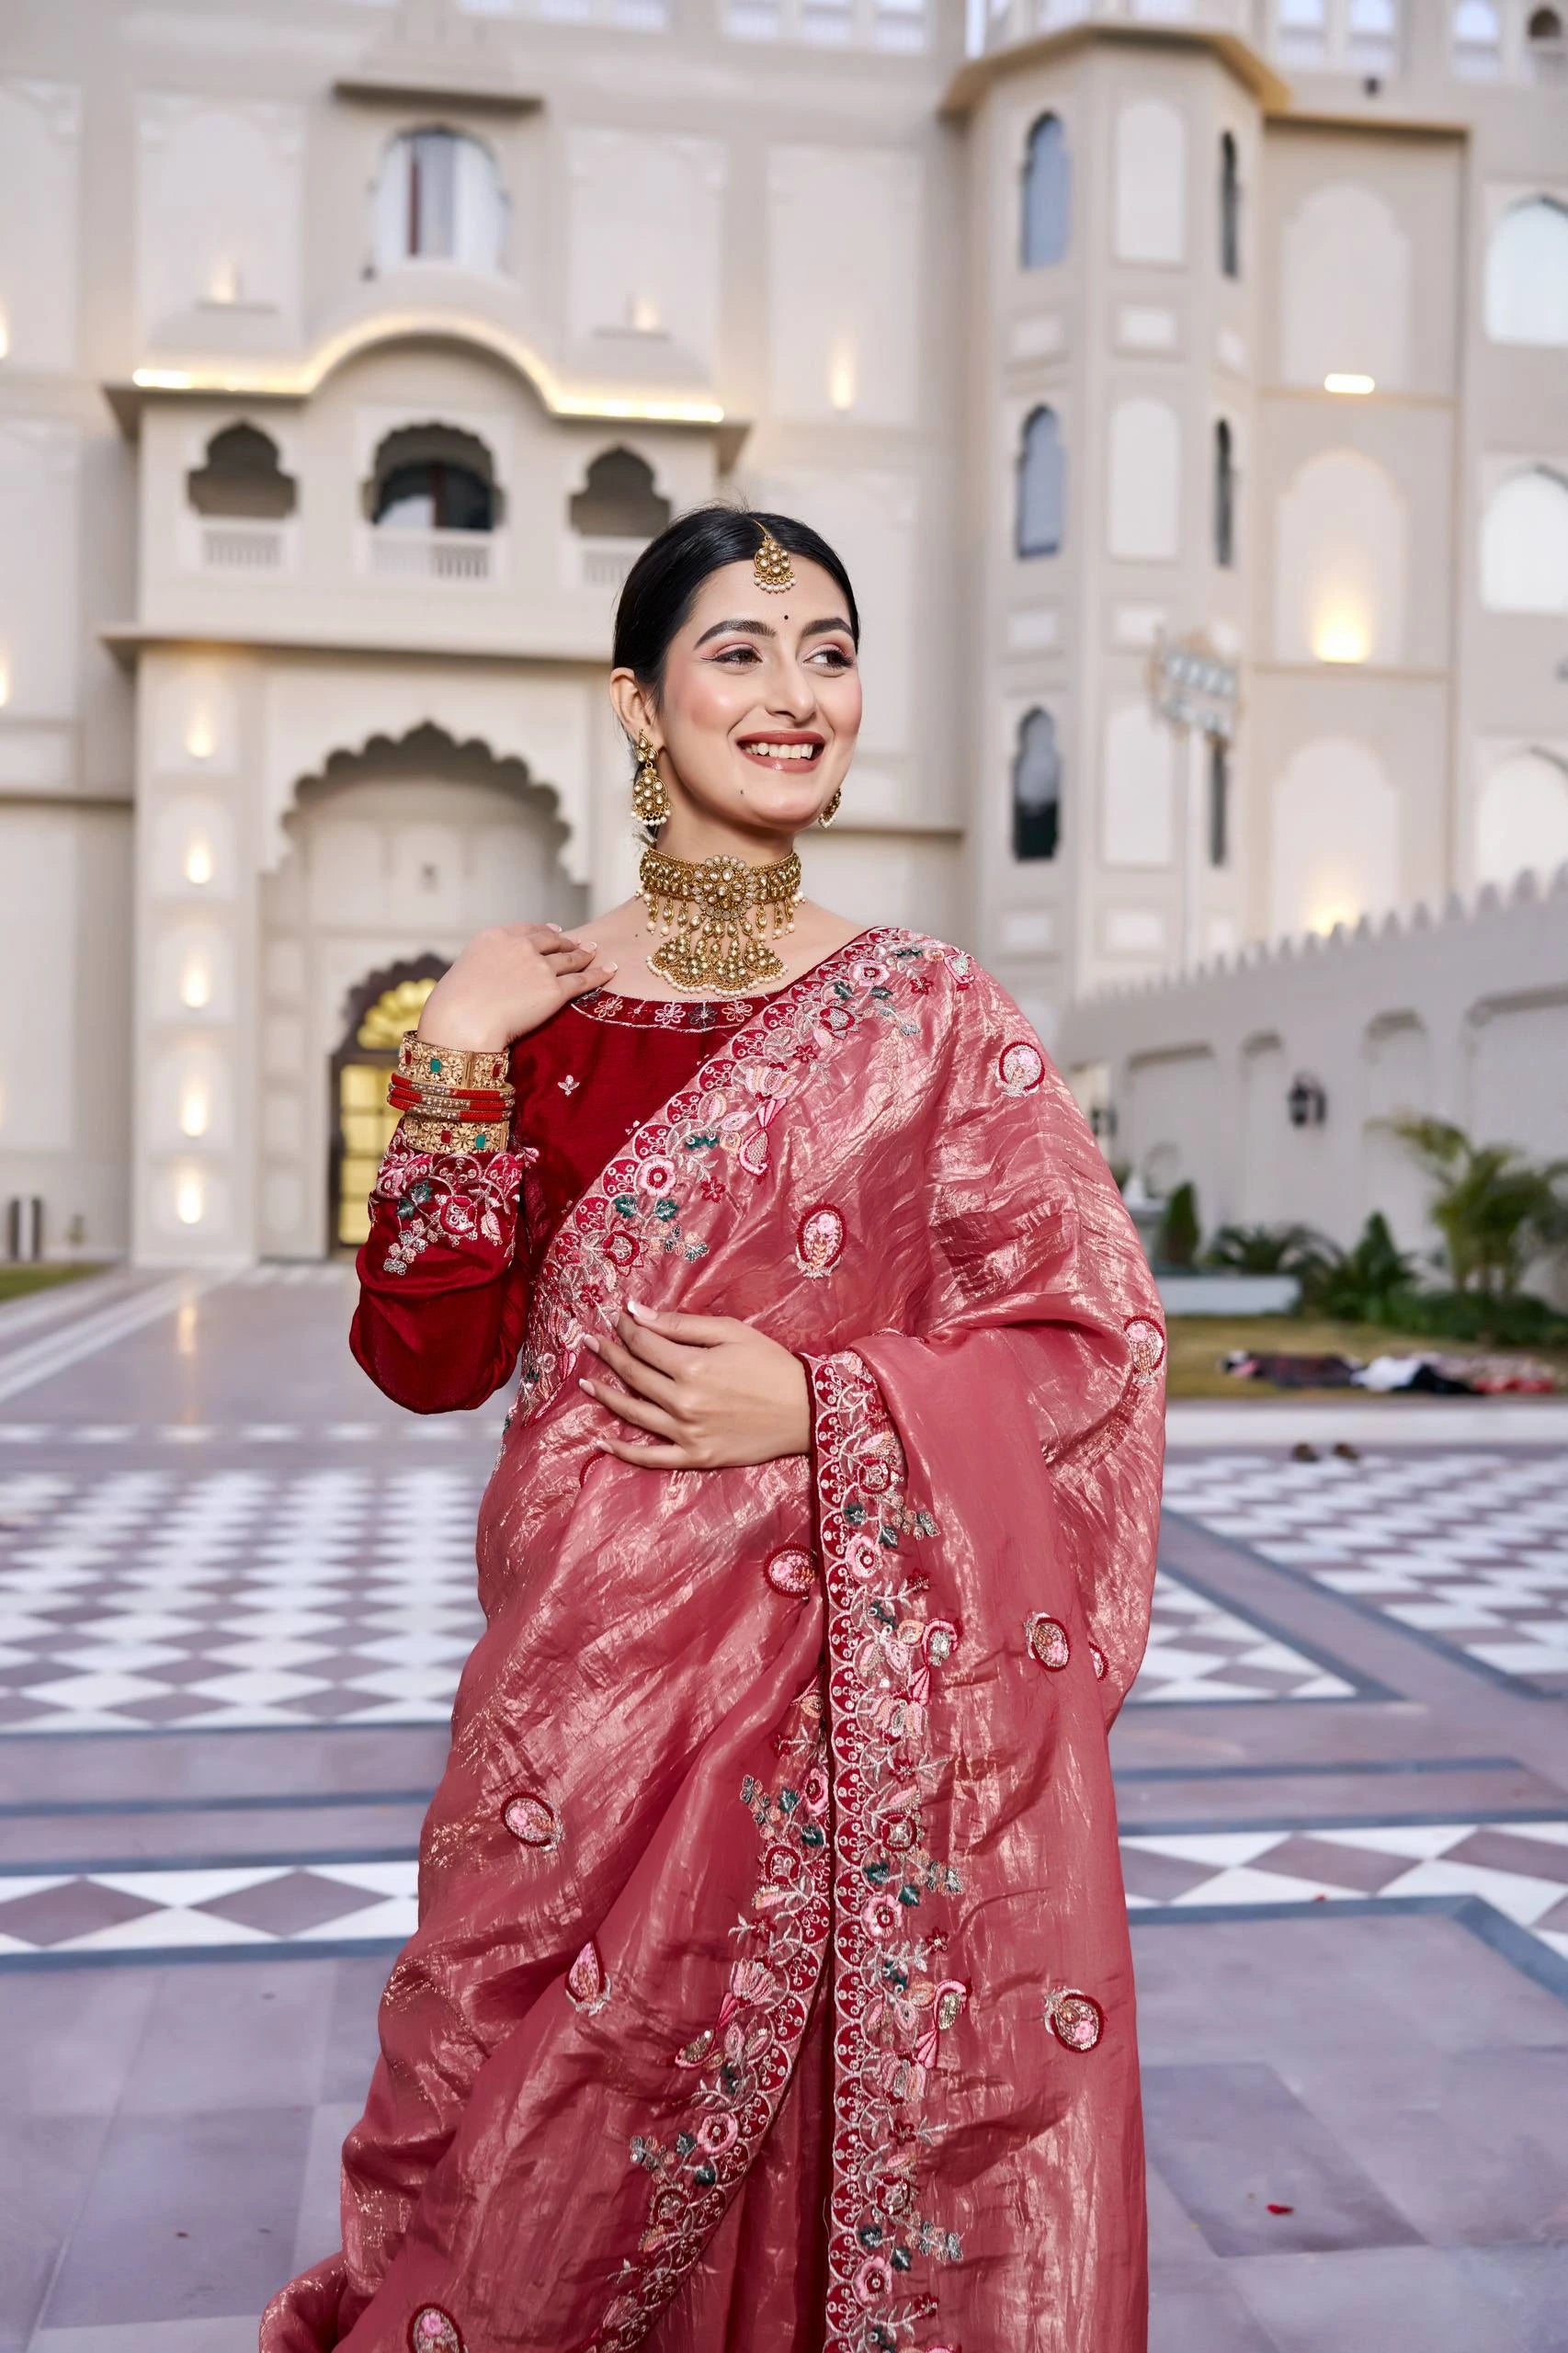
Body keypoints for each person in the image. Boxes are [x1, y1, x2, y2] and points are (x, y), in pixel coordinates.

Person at [261, 506, 1165, 2353]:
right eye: (739, 650)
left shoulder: (929, 1016)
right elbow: (430, 1358)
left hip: (846, 1735)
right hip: (578, 1712)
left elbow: (1093, 1346)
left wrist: (827, 1403)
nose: (795, 693)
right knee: (517, 2140)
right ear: (636, 699)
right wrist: (453, 1054)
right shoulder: (535, 1004)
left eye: (828, 650)